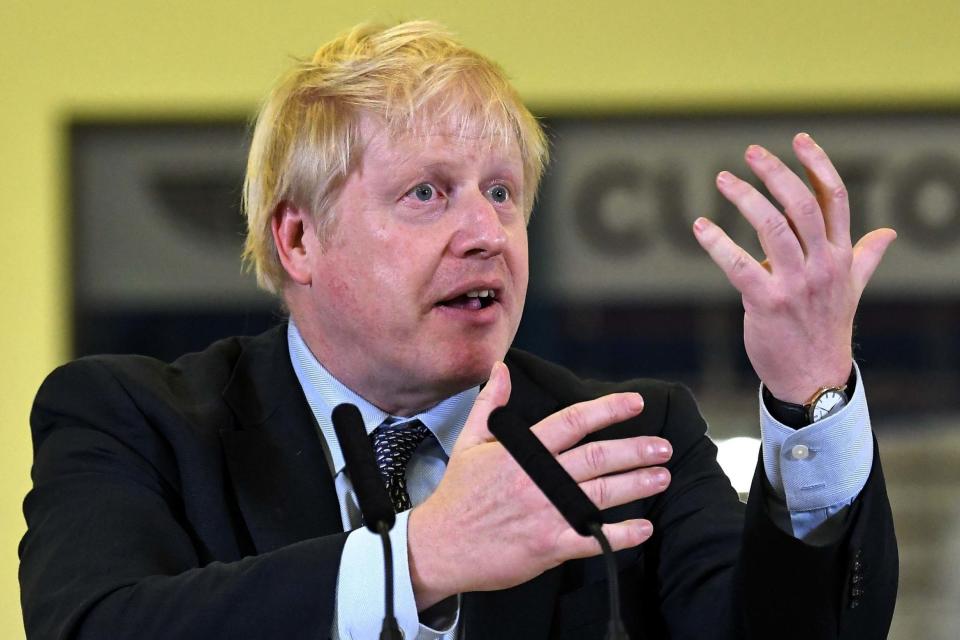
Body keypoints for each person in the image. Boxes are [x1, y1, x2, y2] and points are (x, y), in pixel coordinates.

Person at [19, 20, 899, 640]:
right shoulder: (135, 420)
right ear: (298, 239)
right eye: (427, 192)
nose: (485, 232)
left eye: (502, 192)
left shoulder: (624, 437)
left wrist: (810, 394)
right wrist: (419, 560)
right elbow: (94, 624)